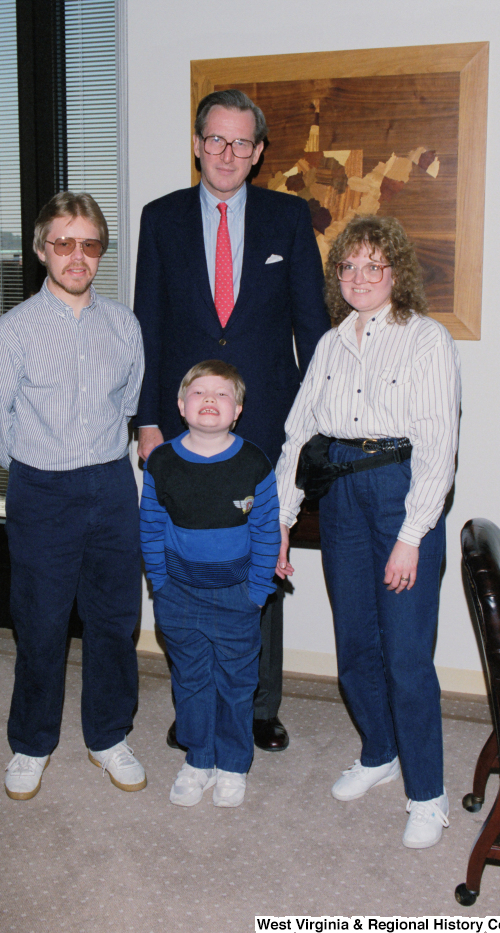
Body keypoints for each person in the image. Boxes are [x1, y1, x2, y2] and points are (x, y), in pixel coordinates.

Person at [133, 89, 329, 752]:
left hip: (265, 423)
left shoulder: (287, 217)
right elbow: (148, 327)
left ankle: (255, 707)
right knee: (187, 555)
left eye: (241, 143)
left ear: (259, 153)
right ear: (196, 144)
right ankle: (197, 698)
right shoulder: (159, 219)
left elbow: (313, 327)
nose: (227, 153)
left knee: (258, 558)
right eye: (215, 139)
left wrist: (306, 425)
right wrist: (149, 423)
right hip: (184, 430)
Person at [275, 215, 461, 849]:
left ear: (395, 273)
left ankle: (427, 793)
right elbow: (299, 436)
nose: (358, 277)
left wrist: (412, 534)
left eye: (372, 266)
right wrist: (282, 519)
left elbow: (438, 446)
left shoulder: (426, 340)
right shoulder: (329, 344)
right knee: (355, 640)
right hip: (343, 498)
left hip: (401, 495)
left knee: (406, 654)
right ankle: (379, 753)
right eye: (348, 266)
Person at [0, 191, 146, 801]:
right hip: (42, 489)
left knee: (115, 619)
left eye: (90, 243)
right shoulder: (12, 332)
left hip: (110, 486)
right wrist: (40, 466)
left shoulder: (124, 326)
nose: (78, 255)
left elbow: (127, 407)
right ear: (42, 249)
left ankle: (108, 736)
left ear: (101, 251)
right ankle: (31, 743)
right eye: (64, 242)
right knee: (41, 622)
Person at [140, 361, 281, 807]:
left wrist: (257, 591)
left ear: (237, 410)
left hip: (237, 596)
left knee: (238, 682)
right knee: (192, 679)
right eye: (199, 393)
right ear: (181, 406)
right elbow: (150, 527)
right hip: (178, 595)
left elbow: (266, 531)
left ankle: (234, 764)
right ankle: (199, 758)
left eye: (222, 395)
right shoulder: (161, 461)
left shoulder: (255, 461)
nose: (209, 401)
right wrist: (159, 585)